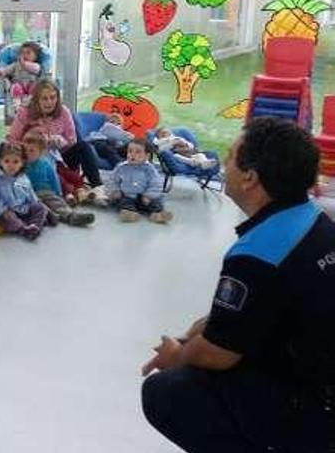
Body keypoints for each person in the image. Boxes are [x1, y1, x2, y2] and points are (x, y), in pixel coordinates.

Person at [140, 116, 335, 452]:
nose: (225, 163)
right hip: (316, 370)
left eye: (230, 156)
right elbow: (241, 313)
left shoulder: (257, 253)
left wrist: (178, 353)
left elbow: (218, 354)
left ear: (250, 177)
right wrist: (195, 334)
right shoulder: (316, 220)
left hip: (312, 408)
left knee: (166, 392)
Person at [7, 80, 107, 200]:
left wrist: (60, 141)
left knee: (84, 146)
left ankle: (97, 187)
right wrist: (32, 143)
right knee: (48, 165)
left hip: (59, 156)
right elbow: (11, 140)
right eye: (44, 98)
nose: (49, 102)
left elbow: (72, 140)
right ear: (36, 100)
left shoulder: (64, 111)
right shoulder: (24, 112)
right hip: (33, 157)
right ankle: (71, 192)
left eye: (53, 97)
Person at [0, 142, 52, 240]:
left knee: (41, 207)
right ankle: (23, 229)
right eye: (7, 161)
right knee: (9, 218)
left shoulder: (23, 177)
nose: (11, 165)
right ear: (0, 162)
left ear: (22, 163)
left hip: (21, 208)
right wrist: (2, 210)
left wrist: (35, 203)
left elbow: (30, 193)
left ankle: (35, 226)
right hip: (2, 211)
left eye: (15, 162)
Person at [22, 134, 95, 227]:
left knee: (57, 203)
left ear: (41, 152)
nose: (27, 153)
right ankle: (50, 216)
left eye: (31, 151)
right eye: (25, 151)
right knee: (37, 207)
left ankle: (72, 216)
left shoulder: (45, 164)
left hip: (46, 192)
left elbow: (54, 179)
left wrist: (58, 193)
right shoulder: (21, 165)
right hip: (30, 195)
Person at [106, 139, 173, 224]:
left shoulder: (150, 169)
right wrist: (115, 191)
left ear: (147, 156)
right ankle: (129, 213)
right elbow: (112, 180)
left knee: (155, 203)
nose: (132, 155)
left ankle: (157, 215)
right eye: (130, 151)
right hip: (127, 195)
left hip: (145, 197)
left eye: (138, 152)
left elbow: (156, 183)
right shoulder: (121, 167)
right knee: (123, 202)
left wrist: (149, 195)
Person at [153, 127, 218, 170]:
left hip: (189, 152)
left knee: (200, 155)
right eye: (163, 134)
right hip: (179, 155)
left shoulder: (177, 138)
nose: (166, 134)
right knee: (177, 156)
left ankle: (204, 163)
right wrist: (170, 143)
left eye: (167, 132)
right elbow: (161, 149)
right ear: (159, 137)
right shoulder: (163, 143)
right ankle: (193, 162)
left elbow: (191, 146)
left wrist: (186, 145)